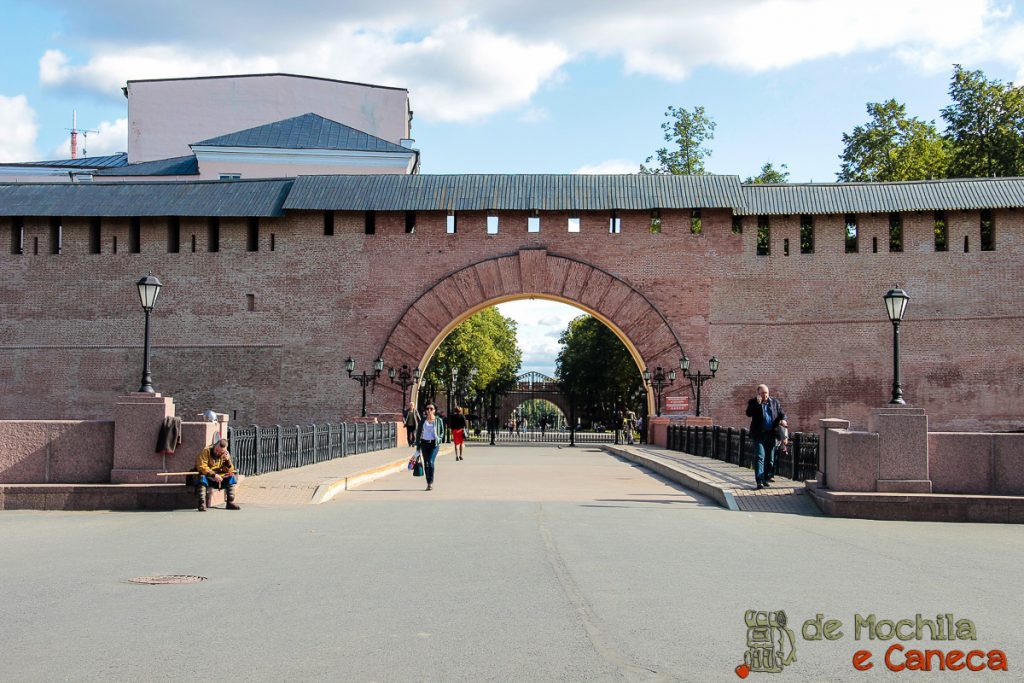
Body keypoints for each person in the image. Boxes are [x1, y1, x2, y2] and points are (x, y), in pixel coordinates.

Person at [745, 384, 788, 490]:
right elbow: (748, 413)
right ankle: (759, 480)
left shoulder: (774, 402)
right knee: (760, 456)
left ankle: (765, 478)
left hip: (771, 434)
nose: (765, 395)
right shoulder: (753, 402)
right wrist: (758, 404)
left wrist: (783, 420)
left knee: (770, 460)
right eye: (763, 393)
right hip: (759, 434)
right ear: (758, 393)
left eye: (766, 393)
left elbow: (782, 414)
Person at [195, 438, 240, 511]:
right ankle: (202, 503)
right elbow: (201, 466)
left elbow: (229, 470)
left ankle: (230, 502)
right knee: (201, 478)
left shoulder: (225, 454)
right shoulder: (206, 451)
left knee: (231, 477)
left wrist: (227, 461)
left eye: (220, 452)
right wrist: (214, 475)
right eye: (216, 450)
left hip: (219, 478)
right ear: (215, 446)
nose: (217, 453)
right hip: (208, 477)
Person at [414, 403, 446, 491]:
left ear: (434, 410)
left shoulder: (438, 420)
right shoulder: (423, 420)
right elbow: (418, 433)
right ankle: (428, 483)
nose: (429, 410)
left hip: (434, 444)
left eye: (431, 409)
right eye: (427, 408)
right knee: (426, 463)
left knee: (430, 462)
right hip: (424, 444)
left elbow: (442, 432)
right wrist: (417, 446)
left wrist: (439, 439)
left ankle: (431, 482)